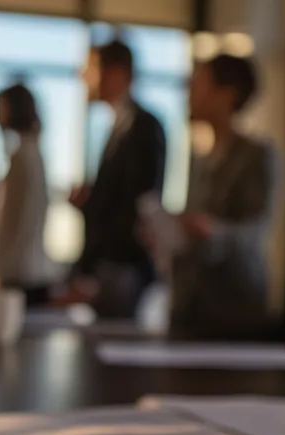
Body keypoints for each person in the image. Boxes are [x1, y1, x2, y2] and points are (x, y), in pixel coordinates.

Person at [165, 53, 276, 339]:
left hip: (234, 308)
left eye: (199, 84)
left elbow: (256, 228)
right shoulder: (201, 159)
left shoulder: (257, 155)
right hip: (192, 307)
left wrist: (212, 231)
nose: (189, 92)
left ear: (227, 94)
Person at [66, 40, 166, 319]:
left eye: (91, 68)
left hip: (123, 268)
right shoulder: (118, 126)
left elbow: (139, 204)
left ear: (116, 73)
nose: (85, 77)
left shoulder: (144, 127)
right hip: (109, 267)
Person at [0, 82, 53, 306]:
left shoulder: (23, 156)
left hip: (20, 274)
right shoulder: (31, 152)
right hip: (25, 271)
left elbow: (20, 222)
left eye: (0, 107)